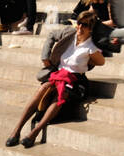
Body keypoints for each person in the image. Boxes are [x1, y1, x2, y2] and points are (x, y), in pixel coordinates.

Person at [6, 12, 106, 148]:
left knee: (61, 95)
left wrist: (91, 55)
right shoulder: (69, 33)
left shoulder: (91, 47)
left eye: (85, 25)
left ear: (91, 28)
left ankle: (35, 132)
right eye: (79, 23)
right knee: (42, 88)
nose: (80, 27)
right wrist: (45, 56)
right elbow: (51, 35)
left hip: (75, 80)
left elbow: (101, 63)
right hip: (58, 74)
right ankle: (16, 130)